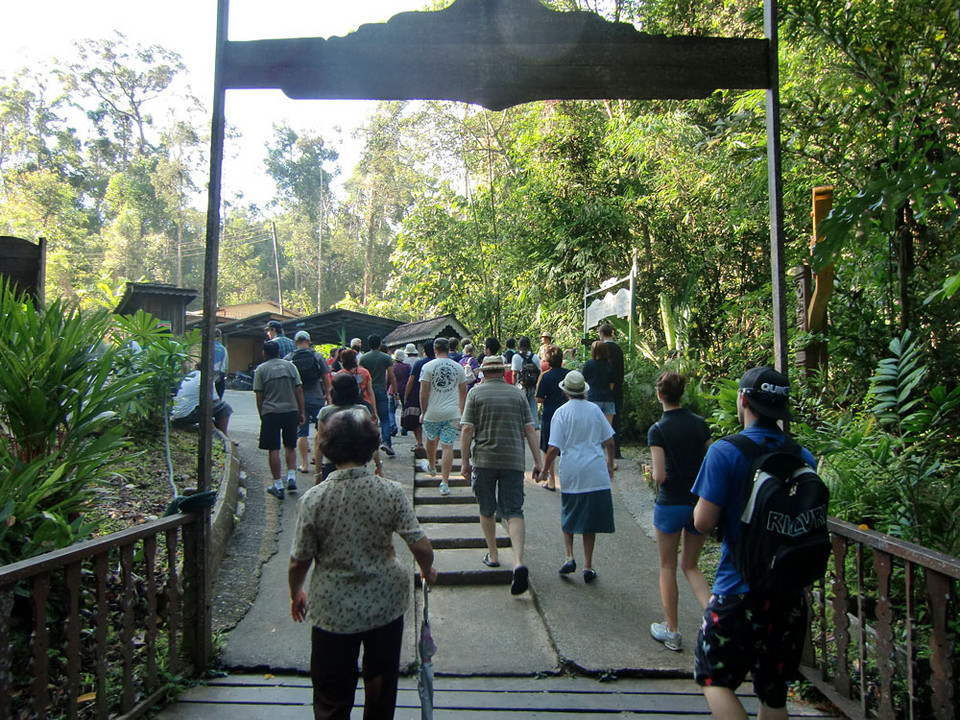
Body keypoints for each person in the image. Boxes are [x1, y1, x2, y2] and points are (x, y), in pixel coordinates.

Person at [289, 410, 438, 720]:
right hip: (384, 603)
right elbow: (421, 546)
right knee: (381, 687)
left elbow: (298, 560)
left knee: (332, 692)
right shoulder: (390, 492)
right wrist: (426, 570)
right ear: (371, 448)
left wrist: (296, 592)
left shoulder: (314, 499)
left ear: (327, 448)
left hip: (332, 608)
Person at [692, 367, 817, 720]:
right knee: (774, 693)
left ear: (743, 400)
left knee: (712, 675)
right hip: (789, 594)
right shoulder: (801, 456)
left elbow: (702, 522)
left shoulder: (725, 451)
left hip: (739, 589)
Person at [460, 354, 543, 596]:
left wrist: (464, 463)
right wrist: (538, 462)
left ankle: (494, 555)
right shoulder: (518, 394)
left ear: (483, 373)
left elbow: (467, 429)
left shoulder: (475, 394)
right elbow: (530, 429)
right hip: (514, 460)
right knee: (514, 510)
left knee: (487, 508)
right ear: (503, 372)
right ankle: (518, 561)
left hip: (485, 460)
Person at [648, 371, 712, 652]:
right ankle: (717, 622)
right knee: (691, 565)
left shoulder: (658, 429)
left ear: (660, 394)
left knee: (667, 566)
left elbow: (660, 476)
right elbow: (711, 465)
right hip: (698, 503)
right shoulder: (700, 425)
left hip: (670, 503)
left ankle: (672, 630)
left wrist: (652, 472)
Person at [540, 371, 616, 584]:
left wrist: (546, 471)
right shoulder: (594, 410)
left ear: (565, 392)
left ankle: (569, 556)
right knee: (589, 521)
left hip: (572, 469)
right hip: (595, 469)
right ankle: (588, 565)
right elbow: (609, 441)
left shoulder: (561, 413)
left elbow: (553, 447)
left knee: (570, 512)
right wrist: (609, 463)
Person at [254, 340, 306, 500]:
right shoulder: (291, 366)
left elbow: (259, 394)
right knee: (290, 445)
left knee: (273, 448)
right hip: (291, 410)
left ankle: (277, 484)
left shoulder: (261, 370)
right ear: (278, 352)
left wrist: (262, 413)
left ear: (264, 353)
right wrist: (301, 411)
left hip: (271, 412)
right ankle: (291, 477)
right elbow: (299, 389)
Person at [419, 337, 467, 495]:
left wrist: (423, 411)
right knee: (448, 447)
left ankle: (432, 467)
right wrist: (461, 411)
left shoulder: (427, 366)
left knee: (431, 440)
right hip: (452, 413)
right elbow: (463, 392)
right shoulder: (458, 367)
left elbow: (423, 392)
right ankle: (445, 483)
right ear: (449, 349)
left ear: (435, 349)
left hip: (432, 412)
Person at [314, 373, 379, 482]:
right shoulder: (362, 411)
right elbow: (372, 440)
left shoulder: (325, 412)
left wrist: (318, 472)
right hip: (358, 462)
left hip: (332, 463)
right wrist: (378, 465)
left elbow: (319, 443)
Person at [285, 330, 332, 474]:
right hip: (317, 397)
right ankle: (317, 458)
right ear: (309, 341)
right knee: (321, 429)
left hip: (298, 400)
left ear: (295, 342)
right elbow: (325, 377)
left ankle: (304, 464)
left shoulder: (289, 358)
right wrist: (328, 395)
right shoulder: (317, 356)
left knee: (302, 432)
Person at [535, 345, 569, 491]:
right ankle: (567, 479)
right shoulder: (569, 374)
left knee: (548, 447)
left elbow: (539, 398)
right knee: (567, 446)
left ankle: (551, 480)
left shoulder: (546, 376)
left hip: (550, 413)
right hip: (567, 412)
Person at [359, 334, 398, 458]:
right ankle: (386, 442)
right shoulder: (386, 357)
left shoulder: (363, 358)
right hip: (381, 390)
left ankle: (369, 445)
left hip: (367, 391)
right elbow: (391, 376)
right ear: (380, 343)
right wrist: (395, 392)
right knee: (385, 418)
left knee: (369, 418)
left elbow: (360, 376)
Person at [171, 368, 234, 437]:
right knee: (225, 407)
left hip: (178, 414)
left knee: (207, 407)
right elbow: (215, 400)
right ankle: (224, 435)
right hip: (187, 415)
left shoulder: (191, 375)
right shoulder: (206, 377)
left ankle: (214, 430)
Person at [404, 341, 434, 461]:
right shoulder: (437, 363)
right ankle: (431, 446)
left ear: (424, 351)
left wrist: (406, 396)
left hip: (418, 394)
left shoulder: (419, 363)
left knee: (418, 420)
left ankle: (420, 443)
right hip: (434, 395)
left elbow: (411, 381)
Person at [598, 323, 625, 459]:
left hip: (603, 390)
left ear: (601, 334)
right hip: (618, 389)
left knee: (601, 421)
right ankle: (616, 450)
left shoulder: (603, 349)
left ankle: (602, 451)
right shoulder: (618, 349)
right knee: (615, 420)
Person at [337, 348, 377, 422]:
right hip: (364, 403)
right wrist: (374, 411)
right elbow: (370, 392)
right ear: (355, 359)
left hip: (345, 406)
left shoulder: (339, 374)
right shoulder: (364, 372)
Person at [582, 340, 616, 425]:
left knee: (593, 428)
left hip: (593, 398)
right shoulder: (609, 365)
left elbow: (583, 382)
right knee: (608, 429)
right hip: (608, 399)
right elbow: (612, 385)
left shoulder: (589, 364)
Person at [511, 336, 541, 430]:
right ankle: (534, 425)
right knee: (533, 406)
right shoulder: (534, 357)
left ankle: (521, 426)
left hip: (521, 386)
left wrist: (514, 385)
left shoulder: (516, 357)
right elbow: (539, 371)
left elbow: (514, 373)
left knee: (520, 408)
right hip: (531, 385)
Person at [390, 349, 410, 437]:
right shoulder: (407, 367)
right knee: (404, 409)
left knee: (391, 410)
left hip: (393, 389)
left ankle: (393, 426)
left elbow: (388, 379)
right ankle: (404, 428)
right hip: (405, 388)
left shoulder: (392, 367)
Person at [213, 328, 229, 401]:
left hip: (207, 375)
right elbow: (225, 365)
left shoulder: (207, 347)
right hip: (219, 374)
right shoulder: (223, 349)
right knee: (218, 397)